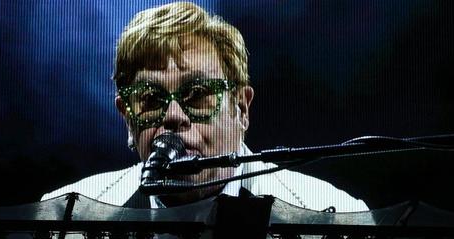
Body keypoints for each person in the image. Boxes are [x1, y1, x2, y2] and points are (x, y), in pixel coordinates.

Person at [42, 2, 366, 211]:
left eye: (197, 94)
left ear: (241, 109)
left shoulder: (333, 213)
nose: (173, 116)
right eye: (151, 99)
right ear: (128, 119)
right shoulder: (63, 215)